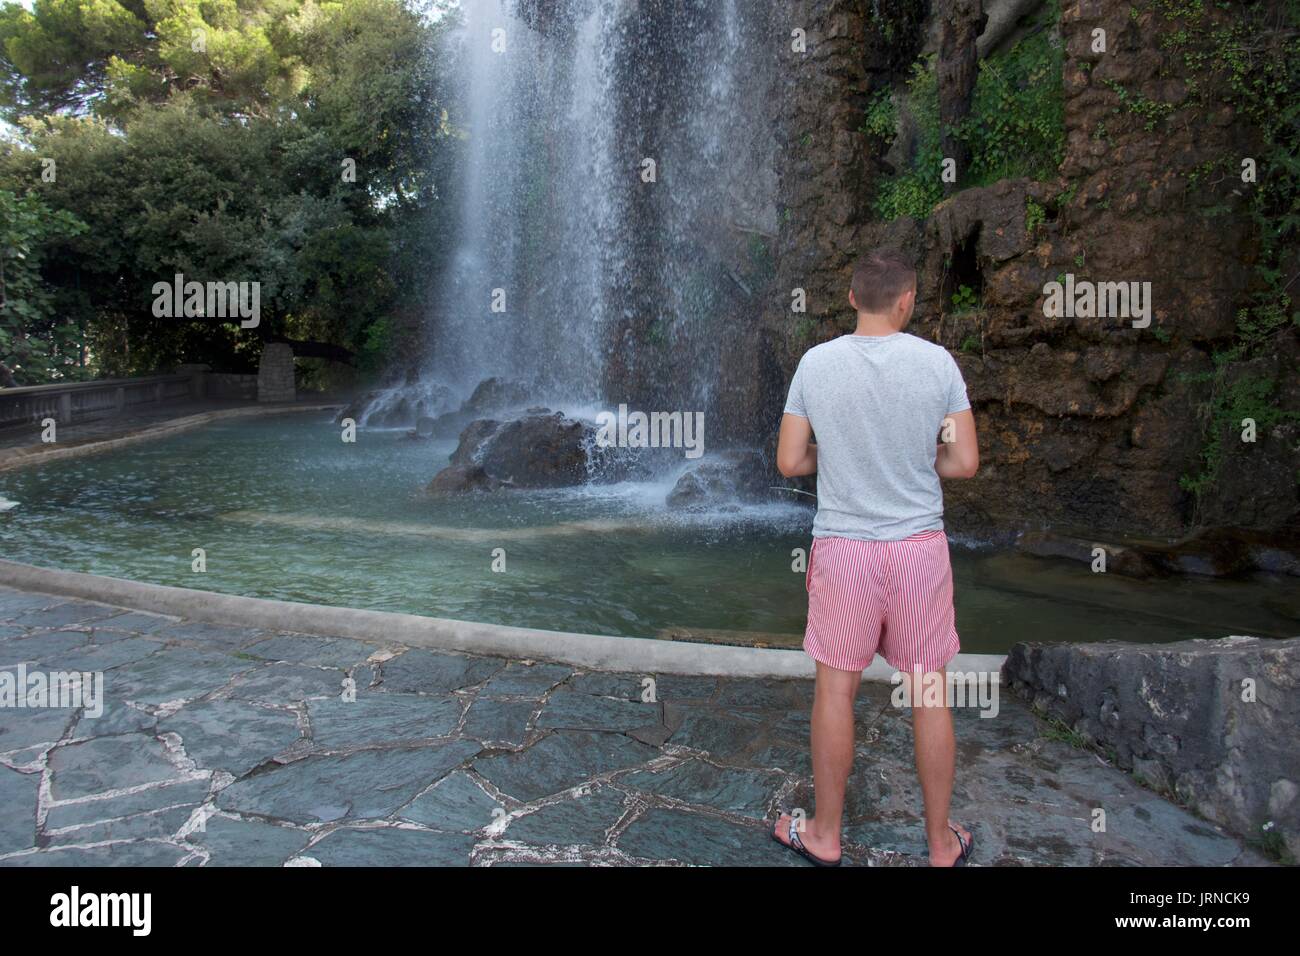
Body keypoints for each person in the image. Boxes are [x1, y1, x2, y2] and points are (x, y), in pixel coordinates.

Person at [772, 248, 979, 867]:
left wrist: (831, 460)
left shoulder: (816, 363)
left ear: (853, 297)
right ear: (907, 302)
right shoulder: (937, 364)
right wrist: (922, 463)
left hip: (845, 548)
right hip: (917, 549)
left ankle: (825, 835)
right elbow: (964, 462)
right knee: (928, 692)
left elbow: (790, 461)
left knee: (836, 692)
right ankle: (941, 843)